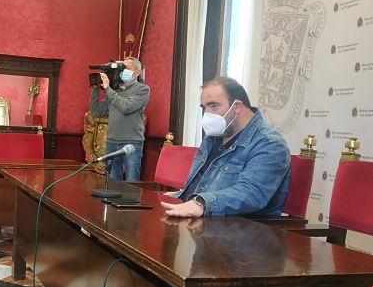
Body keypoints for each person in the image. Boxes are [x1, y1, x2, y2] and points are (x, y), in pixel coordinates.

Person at [161, 76, 290, 218]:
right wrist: (181, 195)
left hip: (238, 226)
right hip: (199, 219)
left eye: (213, 106)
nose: (207, 114)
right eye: (204, 108)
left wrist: (201, 203)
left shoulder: (269, 144)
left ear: (237, 107)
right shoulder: (212, 137)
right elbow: (204, 184)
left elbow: (252, 193)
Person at [90, 57, 150, 181]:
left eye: (126, 68)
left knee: (131, 183)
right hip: (112, 142)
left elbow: (126, 107)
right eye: (121, 68)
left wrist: (108, 89)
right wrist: (95, 89)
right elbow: (96, 112)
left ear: (137, 73)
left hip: (132, 143)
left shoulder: (142, 89)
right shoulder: (114, 91)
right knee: (112, 183)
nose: (122, 71)